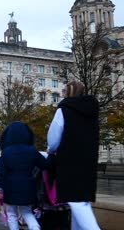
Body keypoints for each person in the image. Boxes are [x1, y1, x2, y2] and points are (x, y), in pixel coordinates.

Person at [47, 81, 101, 230]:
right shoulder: (92, 109)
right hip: (89, 159)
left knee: (75, 199)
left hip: (69, 160)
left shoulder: (64, 109)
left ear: (68, 93)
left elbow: (53, 139)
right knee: (81, 199)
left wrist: (50, 150)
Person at [0, 121, 47, 230]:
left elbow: (1, 173)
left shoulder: (6, 152)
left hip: (10, 187)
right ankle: (35, 227)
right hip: (28, 187)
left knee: (11, 213)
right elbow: (44, 165)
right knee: (27, 212)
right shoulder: (32, 151)